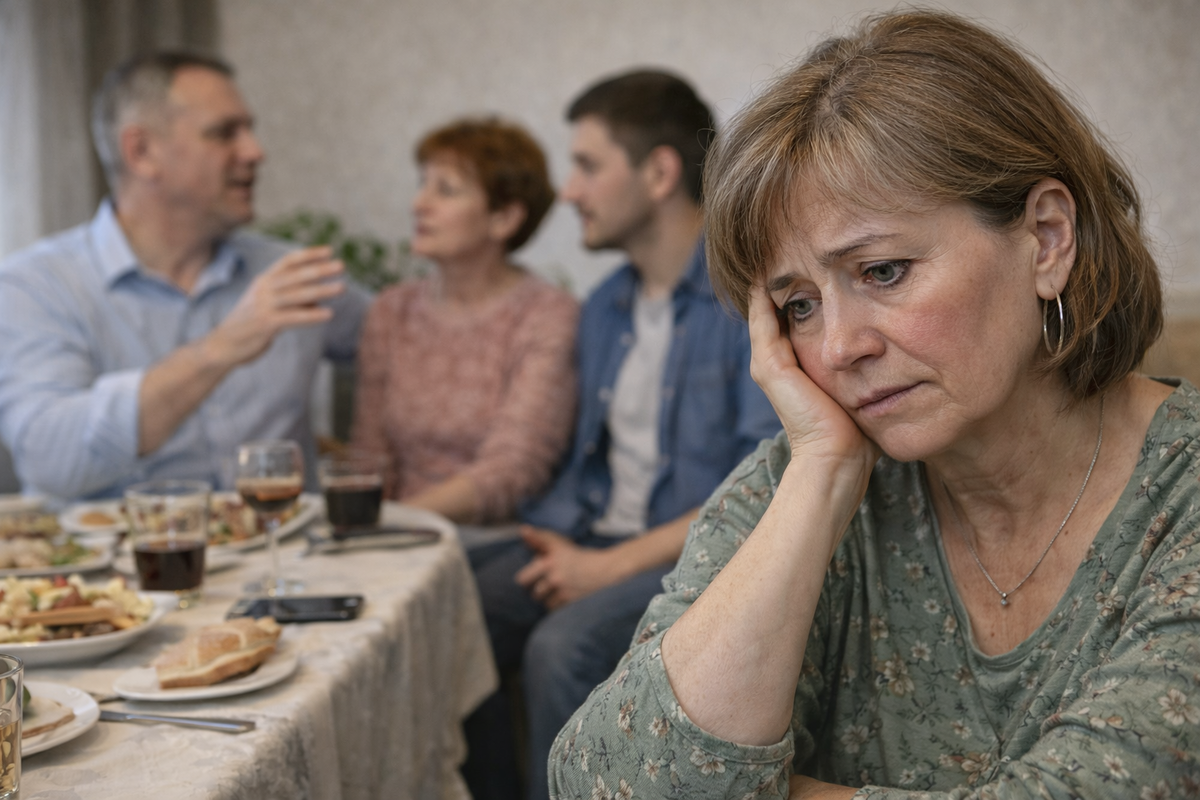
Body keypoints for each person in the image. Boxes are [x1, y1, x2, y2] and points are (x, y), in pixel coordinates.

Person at [549, 10, 1200, 800]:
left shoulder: (1184, 499)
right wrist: (822, 474)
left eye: (883, 271)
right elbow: (600, 785)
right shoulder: (803, 478)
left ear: (1048, 238)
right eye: (798, 305)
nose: (835, 348)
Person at [465, 71, 780, 800]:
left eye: (587, 165)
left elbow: (764, 483)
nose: (568, 191)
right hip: (588, 532)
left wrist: (607, 569)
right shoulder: (604, 306)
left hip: (694, 556)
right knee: (449, 605)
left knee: (563, 647)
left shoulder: (746, 299)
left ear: (660, 173)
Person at [0, 52, 369, 500]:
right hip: (115, 547)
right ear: (141, 152)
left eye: (249, 131)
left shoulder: (291, 275)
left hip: (285, 543)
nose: (255, 152)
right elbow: (49, 459)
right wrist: (220, 349)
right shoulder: (35, 286)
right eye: (224, 133)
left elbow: (410, 342)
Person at [349, 117, 578, 524]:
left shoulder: (547, 315)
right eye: (423, 184)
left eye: (446, 190)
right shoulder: (391, 309)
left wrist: (390, 522)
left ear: (504, 218)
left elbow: (514, 469)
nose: (419, 204)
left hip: (491, 539)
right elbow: (369, 455)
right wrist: (363, 531)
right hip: (389, 530)